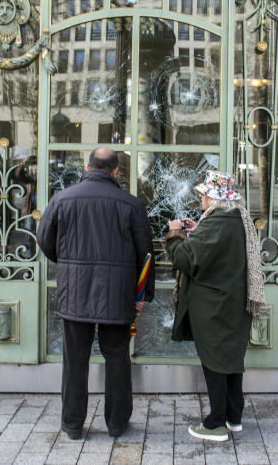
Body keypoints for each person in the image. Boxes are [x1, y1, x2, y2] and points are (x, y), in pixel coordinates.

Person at [37, 147, 155, 440]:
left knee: (74, 361)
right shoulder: (131, 204)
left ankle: (73, 425)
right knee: (117, 359)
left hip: (75, 293)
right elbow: (147, 254)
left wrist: (68, 264)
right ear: (116, 171)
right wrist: (142, 295)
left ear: (87, 167)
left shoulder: (62, 199)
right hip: (117, 296)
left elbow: (44, 240)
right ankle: (117, 424)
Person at [164, 170, 266, 442]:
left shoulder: (217, 223)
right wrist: (197, 231)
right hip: (232, 302)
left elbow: (186, 260)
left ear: (214, 198)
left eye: (204, 194)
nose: (200, 197)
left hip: (214, 307)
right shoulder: (234, 219)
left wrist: (174, 236)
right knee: (231, 361)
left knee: (215, 363)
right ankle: (234, 417)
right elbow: (216, 247)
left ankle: (215, 423)